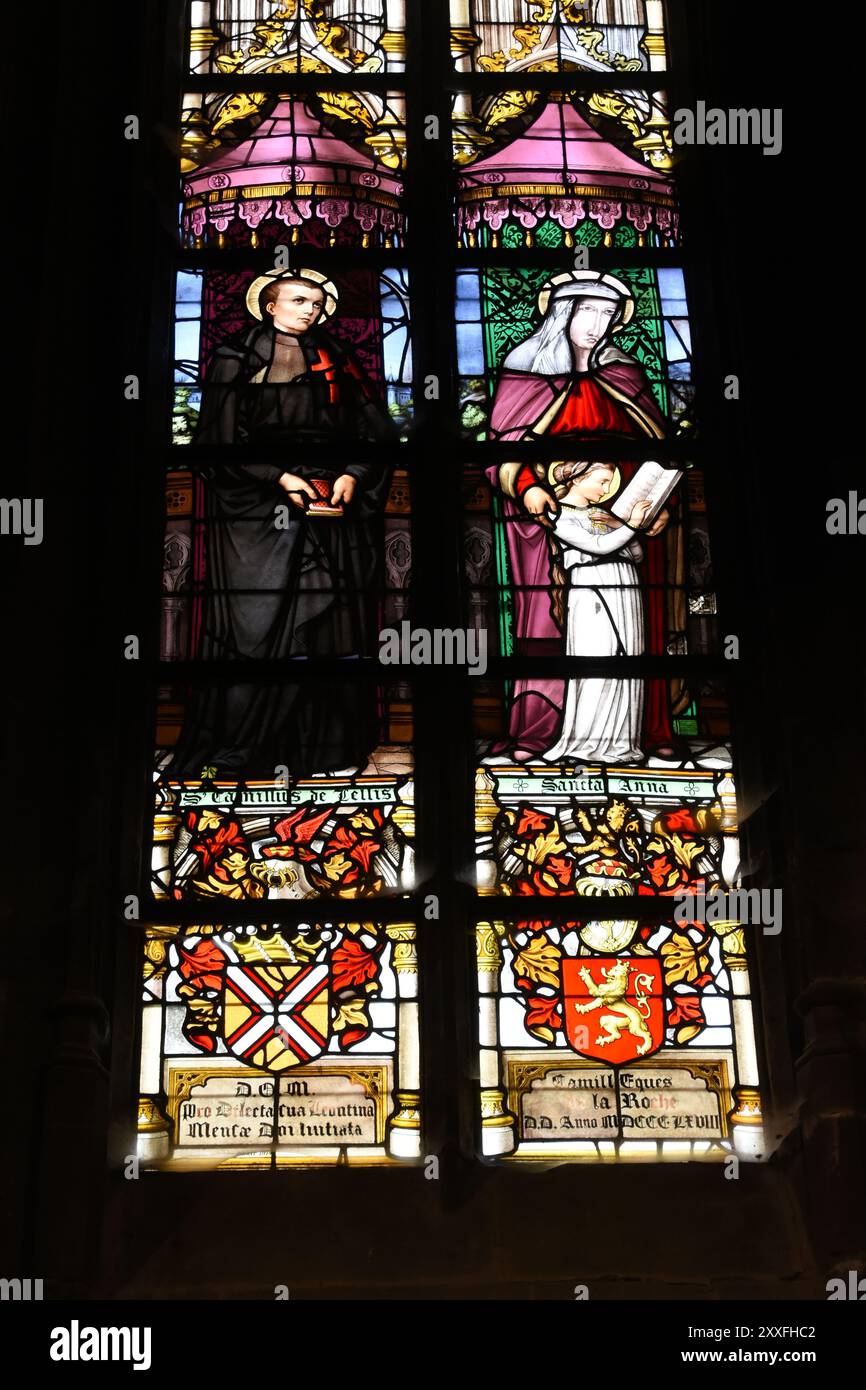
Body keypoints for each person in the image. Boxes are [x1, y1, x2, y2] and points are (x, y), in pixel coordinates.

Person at [168, 267, 397, 781]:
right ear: (269, 305)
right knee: (259, 623)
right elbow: (217, 445)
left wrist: (354, 475)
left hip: (331, 508)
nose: (309, 311)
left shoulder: (337, 360)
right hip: (255, 513)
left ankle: (326, 751)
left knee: (327, 625)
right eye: (298, 301)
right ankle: (245, 746)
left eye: (316, 303)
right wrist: (278, 477)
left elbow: (376, 432)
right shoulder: (234, 360)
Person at [484, 270, 682, 761]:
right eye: (587, 310)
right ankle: (540, 730)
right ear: (561, 311)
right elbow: (500, 447)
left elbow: (659, 446)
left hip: (627, 510)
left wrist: (655, 506)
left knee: (633, 630)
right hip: (548, 514)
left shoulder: (625, 372)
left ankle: (642, 729)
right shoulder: (525, 365)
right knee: (548, 623)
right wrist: (526, 485)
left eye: (608, 314)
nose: (598, 323)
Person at [542, 461, 652, 765]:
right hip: (592, 586)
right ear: (578, 478)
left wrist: (621, 527)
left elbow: (637, 554)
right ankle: (584, 743)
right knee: (596, 661)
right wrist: (631, 526)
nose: (605, 489)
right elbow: (597, 547)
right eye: (601, 481)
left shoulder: (603, 515)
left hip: (625, 588)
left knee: (626, 660)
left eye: (608, 483)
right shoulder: (558, 514)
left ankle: (621, 743)